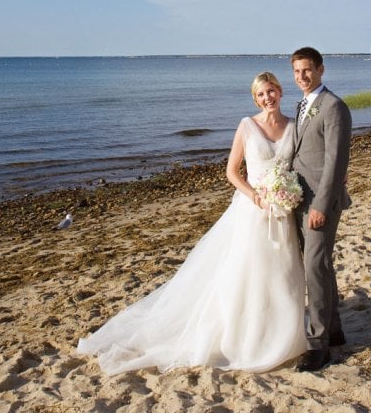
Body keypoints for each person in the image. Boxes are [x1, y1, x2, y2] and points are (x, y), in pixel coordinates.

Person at [77, 72, 307, 374]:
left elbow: (300, 166)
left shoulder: (293, 126)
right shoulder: (247, 127)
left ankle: (281, 334)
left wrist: (287, 192)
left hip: (282, 211)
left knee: (282, 272)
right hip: (252, 212)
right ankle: (245, 336)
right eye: (262, 94)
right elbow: (232, 172)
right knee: (248, 272)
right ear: (256, 98)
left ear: (280, 91)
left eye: (272, 91)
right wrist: (256, 197)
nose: (268, 98)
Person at [290, 47, 352, 372]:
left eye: (307, 70)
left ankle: (318, 345)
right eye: (297, 71)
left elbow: (335, 162)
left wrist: (321, 205)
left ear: (321, 69)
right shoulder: (302, 105)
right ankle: (336, 330)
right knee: (321, 265)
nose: (302, 77)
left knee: (314, 267)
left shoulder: (334, 107)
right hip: (299, 199)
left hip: (320, 203)